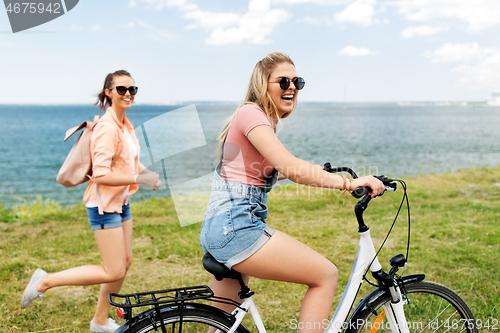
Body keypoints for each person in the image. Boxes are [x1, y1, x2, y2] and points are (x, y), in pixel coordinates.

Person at [199, 52, 385, 333]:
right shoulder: (251, 114)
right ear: (264, 84)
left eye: (297, 81)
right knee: (325, 275)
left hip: (219, 230)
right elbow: (291, 167)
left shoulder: (261, 121)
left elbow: (286, 169)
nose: (292, 87)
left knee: (221, 327)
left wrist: (330, 175)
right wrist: (349, 184)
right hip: (237, 228)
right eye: (283, 81)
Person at [21, 70, 162, 332]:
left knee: (125, 263)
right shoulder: (107, 128)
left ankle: (99, 321)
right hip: (102, 205)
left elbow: (128, 158)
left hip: (120, 202)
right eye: (122, 89)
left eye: (133, 89)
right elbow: (101, 175)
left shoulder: (124, 124)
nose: (128, 94)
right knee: (113, 270)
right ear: (108, 92)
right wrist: (139, 179)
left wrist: (146, 174)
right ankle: (44, 281)